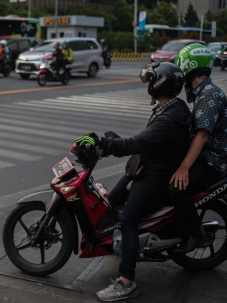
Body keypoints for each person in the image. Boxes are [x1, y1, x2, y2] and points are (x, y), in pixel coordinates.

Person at [74, 62, 191, 302]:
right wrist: (106, 143)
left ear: (159, 83)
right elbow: (145, 143)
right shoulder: (169, 106)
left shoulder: (170, 116)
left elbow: (137, 143)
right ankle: (121, 247)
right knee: (111, 204)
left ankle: (126, 282)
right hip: (143, 169)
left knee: (127, 219)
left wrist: (100, 142)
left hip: (155, 176)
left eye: (151, 80)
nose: (148, 84)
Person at [171, 43, 227, 254]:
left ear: (188, 67)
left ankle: (193, 234)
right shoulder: (204, 93)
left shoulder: (209, 94)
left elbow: (203, 134)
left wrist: (184, 168)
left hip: (211, 159)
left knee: (177, 188)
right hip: (207, 155)